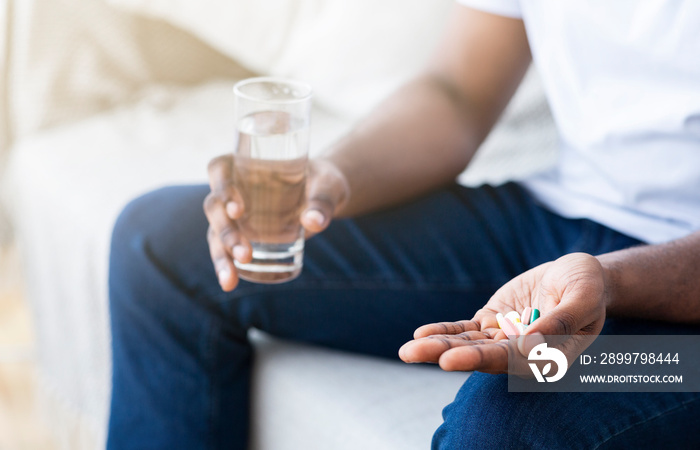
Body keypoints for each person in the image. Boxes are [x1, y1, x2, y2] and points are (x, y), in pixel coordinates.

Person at [106, 1, 700, 448]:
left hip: (678, 304)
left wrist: (610, 281)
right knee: (159, 245)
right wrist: (334, 175)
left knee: (506, 418)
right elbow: (458, 91)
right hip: (562, 223)